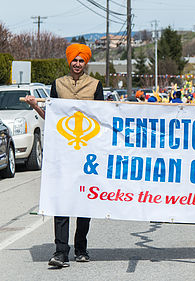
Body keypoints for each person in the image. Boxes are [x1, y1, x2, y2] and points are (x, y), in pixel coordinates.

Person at [25, 43, 104, 268]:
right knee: (61, 200)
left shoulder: (96, 85)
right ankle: (61, 251)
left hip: (88, 153)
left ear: (86, 62)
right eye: (74, 60)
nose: (77, 64)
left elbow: (104, 119)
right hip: (62, 152)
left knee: (83, 201)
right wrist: (34, 107)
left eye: (81, 61)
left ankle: (81, 248)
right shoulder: (58, 84)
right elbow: (51, 117)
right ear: (69, 61)